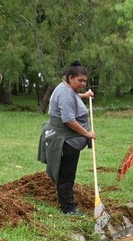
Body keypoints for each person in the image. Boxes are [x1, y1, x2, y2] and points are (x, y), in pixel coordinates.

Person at [38, 61, 96, 215]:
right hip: (64, 141)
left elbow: (73, 97)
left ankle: (68, 203)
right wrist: (86, 133)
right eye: (80, 81)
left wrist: (85, 95)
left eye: (85, 81)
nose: (83, 83)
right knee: (66, 175)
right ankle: (68, 208)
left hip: (69, 140)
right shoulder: (65, 92)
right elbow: (68, 120)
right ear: (70, 78)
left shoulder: (67, 88)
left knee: (68, 174)